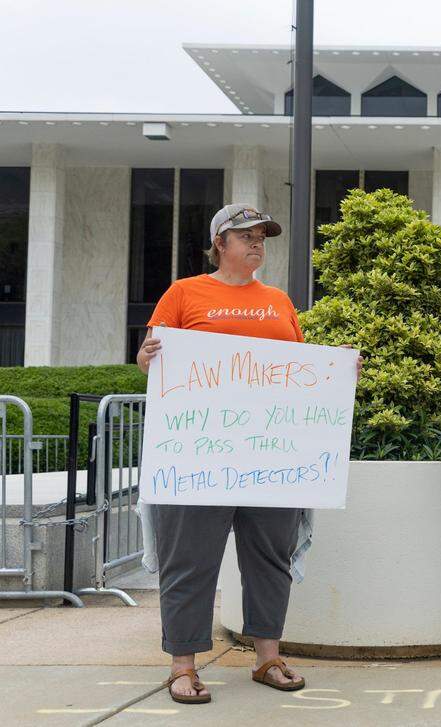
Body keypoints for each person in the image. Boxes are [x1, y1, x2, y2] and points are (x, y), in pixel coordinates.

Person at [136, 204, 357, 704]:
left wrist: (338, 374)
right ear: (220, 243)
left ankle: (268, 658)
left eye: (262, 236)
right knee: (189, 560)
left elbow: (299, 370)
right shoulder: (185, 292)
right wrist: (146, 356)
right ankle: (183, 666)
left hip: (269, 460)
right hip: (198, 458)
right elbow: (150, 356)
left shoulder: (278, 301)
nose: (257, 243)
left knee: (269, 559)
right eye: (246, 236)